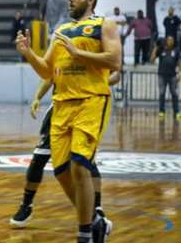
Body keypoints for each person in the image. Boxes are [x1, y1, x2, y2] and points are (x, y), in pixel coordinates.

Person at [15, 0, 121, 243]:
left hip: (91, 101)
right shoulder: (61, 32)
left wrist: (79, 54)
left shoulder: (104, 25)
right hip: (62, 105)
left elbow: (115, 60)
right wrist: (28, 54)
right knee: (61, 171)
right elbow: (47, 71)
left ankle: (84, 239)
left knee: (79, 165)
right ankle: (96, 222)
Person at [9, 70, 121, 230]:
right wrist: (37, 98)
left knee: (85, 162)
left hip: (86, 108)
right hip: (60, 109)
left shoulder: (97, 50)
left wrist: (95, 83)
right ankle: (26, 205)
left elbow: (116, 75)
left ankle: (96, 208)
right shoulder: (61, 48)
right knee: (38, 159)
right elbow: (50, 75)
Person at [151, 36, 181, 119]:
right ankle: (161, 112)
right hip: (162, 75)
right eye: (168, 40)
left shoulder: (176, 50)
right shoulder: (161, 49)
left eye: (172, 40)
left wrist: (180, 72)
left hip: (172, 75)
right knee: (162, 93)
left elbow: (180, 61)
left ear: (174, 41)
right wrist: (156, 47)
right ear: (166, 41)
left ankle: (177, 112)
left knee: (174, 93)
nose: (170, 41)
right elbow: (152, 60)